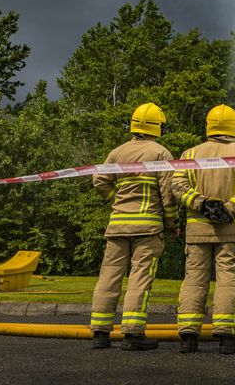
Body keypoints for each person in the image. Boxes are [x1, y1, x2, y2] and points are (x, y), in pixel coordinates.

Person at [172, 104, 235, 355]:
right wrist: (229, 209)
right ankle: (226, 338)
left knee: (194, 280)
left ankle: (188, 336)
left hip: (197, 230)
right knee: (229, 280)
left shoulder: (189, 155)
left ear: (208, 126)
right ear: (234, 126)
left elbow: (177, 186)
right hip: (231, 231)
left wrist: (201, 204)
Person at [90, 102, 178, 351]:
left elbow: (99, 181)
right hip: (147, 227)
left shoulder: (116, 153)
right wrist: (172, 223)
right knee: (139, 277)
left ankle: (99, 332)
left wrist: (115, 199)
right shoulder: (161, 153)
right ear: (158, 126)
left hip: (117, 226)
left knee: (109, 277)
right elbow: (168, 194)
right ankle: (132, 333)